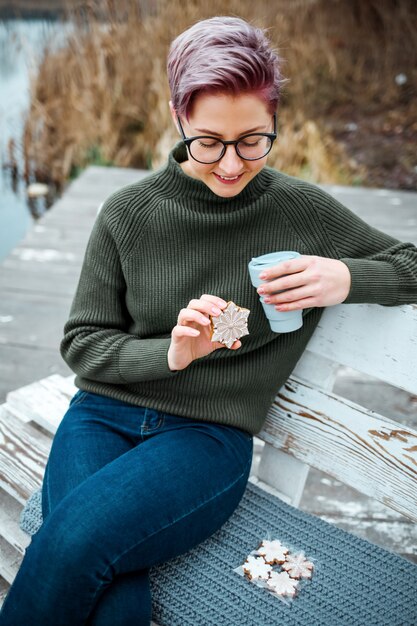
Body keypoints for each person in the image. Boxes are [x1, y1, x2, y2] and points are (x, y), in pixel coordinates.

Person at [1, 15, 416, 626]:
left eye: (253, 140)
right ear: (178, 118)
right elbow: (84, 344)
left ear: (275, 124)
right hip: (101, 418)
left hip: (203, 439)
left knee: (69, 545)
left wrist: (347, 277)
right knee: (107, 582)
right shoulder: (128, 213)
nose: (229, 163)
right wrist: (170, 354)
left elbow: (408, 260)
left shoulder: (301, 212)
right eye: (209, 142)